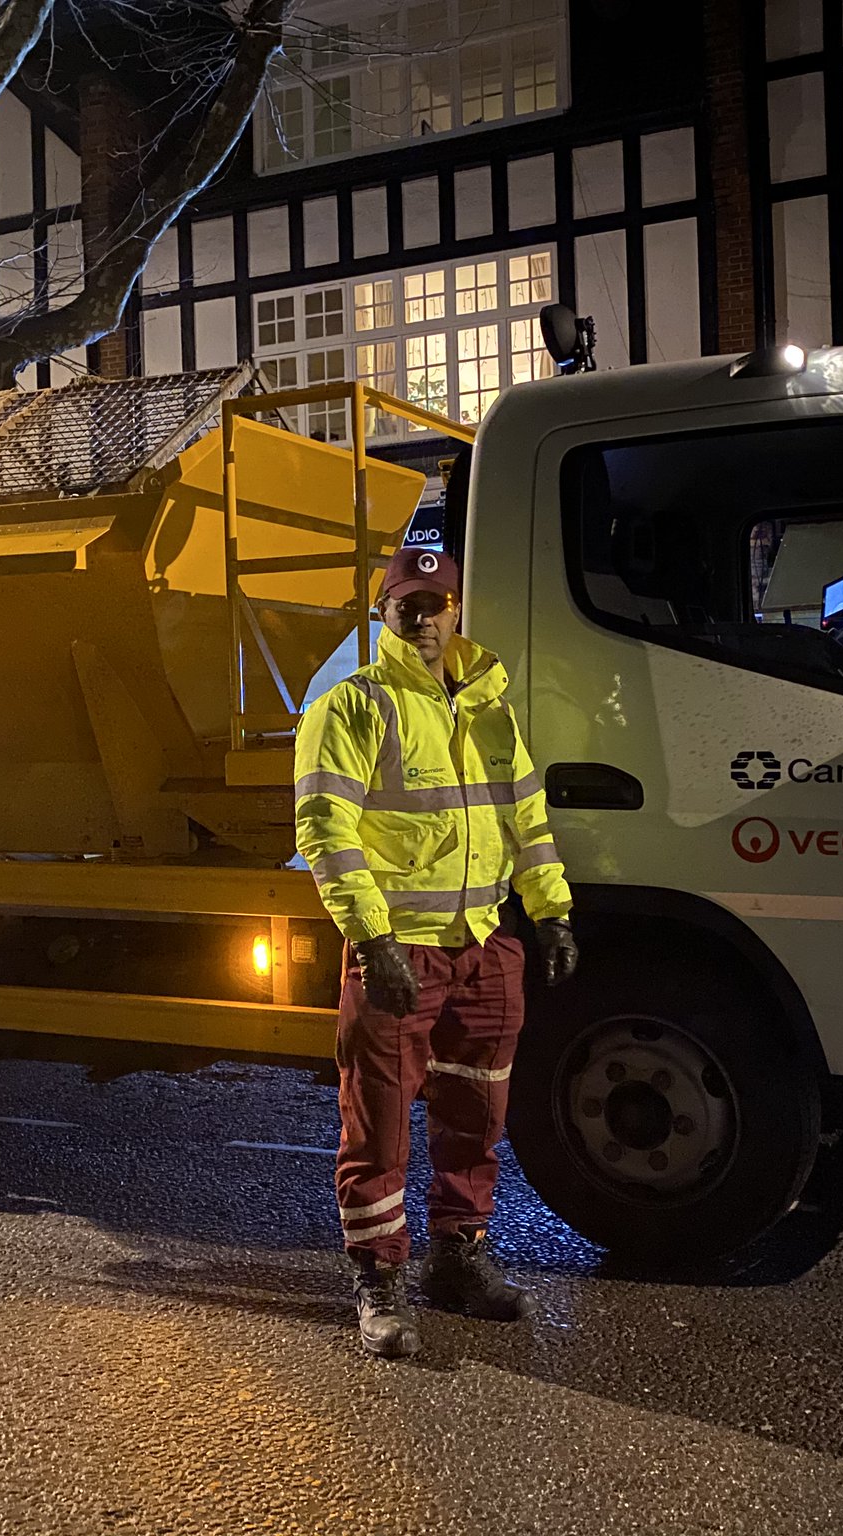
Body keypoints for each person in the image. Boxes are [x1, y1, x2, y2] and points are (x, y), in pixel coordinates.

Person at [294, 547, 579, 1359]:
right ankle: (379, 1282)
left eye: (438, 603)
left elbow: (528, 820)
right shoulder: (354, 707)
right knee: (378, 1126)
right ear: (383, 613)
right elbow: (326, 833)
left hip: (485, 946)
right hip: (400, 954)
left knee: (476, 1117)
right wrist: (373, 938)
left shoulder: (491, 709)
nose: (424, 619)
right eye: (407, 606)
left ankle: (458, 1260)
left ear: (458, 610)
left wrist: (552, 914)